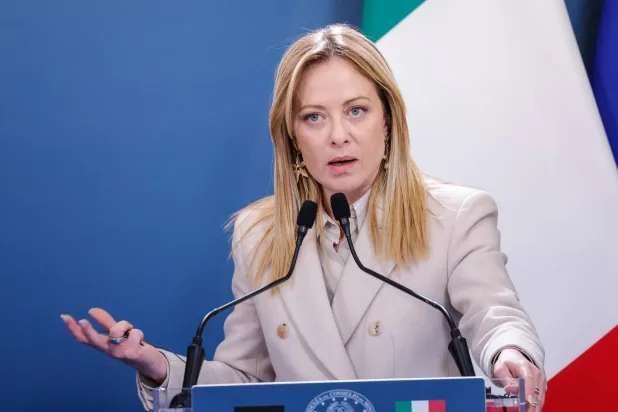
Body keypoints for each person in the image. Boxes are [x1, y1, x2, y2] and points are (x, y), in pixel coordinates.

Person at [61, 24, 547, 411]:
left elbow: (495, 316)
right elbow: (245, 380)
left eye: (356, 110)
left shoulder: (455, 215)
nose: (338, 135)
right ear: (292, 136)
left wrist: (510, 354)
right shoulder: (260, 234)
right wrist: (157, 366)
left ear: (388, 121)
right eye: (314, 117)